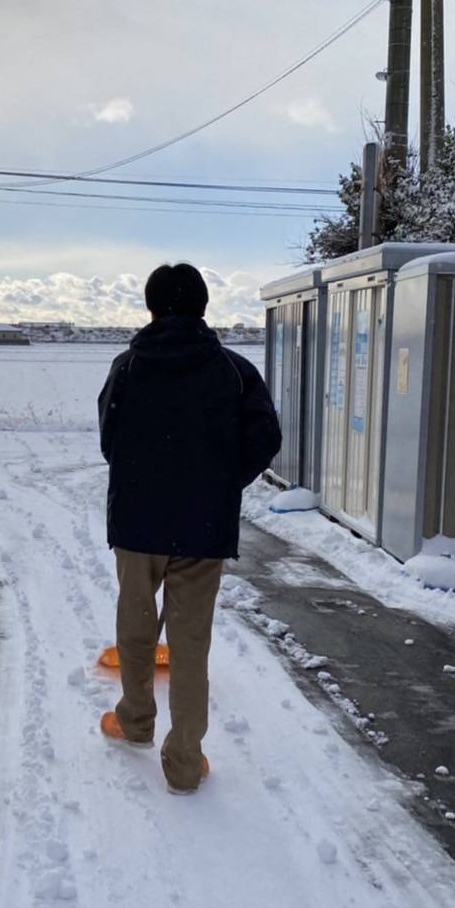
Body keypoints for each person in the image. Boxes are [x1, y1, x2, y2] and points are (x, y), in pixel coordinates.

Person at [96, 263, 281, 793]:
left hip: (136, 522)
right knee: (190, 642)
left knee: (135, 626)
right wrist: (223, 482)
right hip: (204, 526)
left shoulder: (127, 367)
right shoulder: (233, 370)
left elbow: (110, 440)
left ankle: (134, 723)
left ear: (151, 308)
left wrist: (142, 475)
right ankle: (183, 763)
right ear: (203, 307)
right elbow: (265, 436)